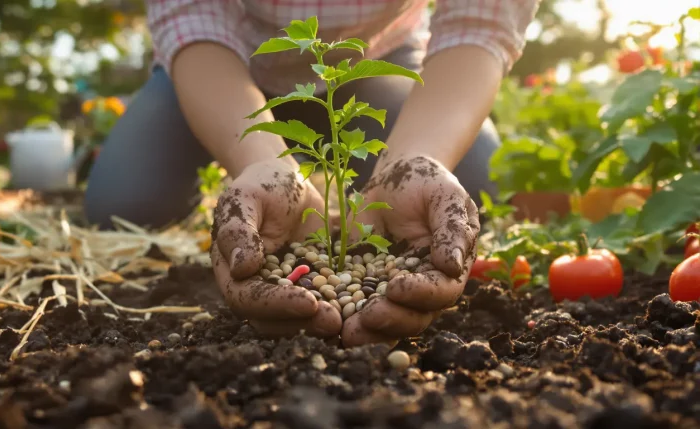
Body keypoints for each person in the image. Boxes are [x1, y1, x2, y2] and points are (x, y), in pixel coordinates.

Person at [84, 0, 540, 347]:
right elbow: (192, 16)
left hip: (373, 61)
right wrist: (266, 164)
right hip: (221, 61)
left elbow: (480, 21)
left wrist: (415, 158)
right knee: (127, 202)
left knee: (476, 183)